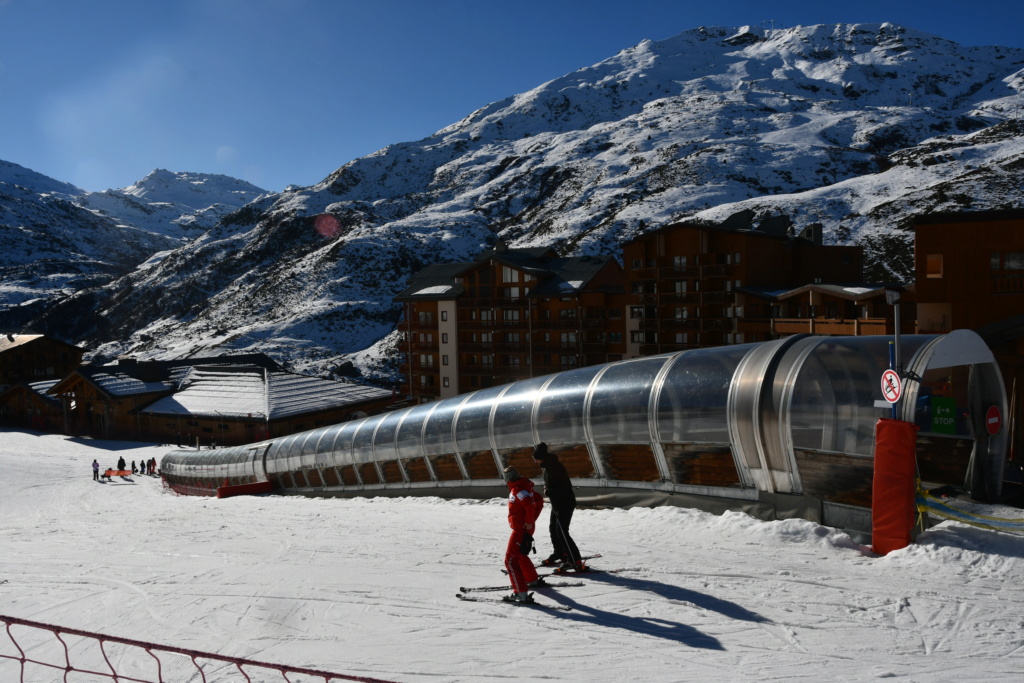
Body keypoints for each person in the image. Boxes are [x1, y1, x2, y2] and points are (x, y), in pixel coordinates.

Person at [533, 442, 584, 572]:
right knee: (553, 529)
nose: (535, 462)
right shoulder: (548, 466)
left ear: (542, 457)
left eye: (536, 459)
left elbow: (565, 488)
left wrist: (548, 491)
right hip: (557, 502)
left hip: (565, 503)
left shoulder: (555, 467)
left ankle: (574, 560)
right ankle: (561, 553)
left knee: (562, 532)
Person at [502, 465, 543, 604]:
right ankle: (532, 579)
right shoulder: (522, 487)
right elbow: (537, 500)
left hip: (520, 529)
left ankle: (520, 593)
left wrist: (529, 521)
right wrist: (531, 521)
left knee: (510, 560)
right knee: (520, 555)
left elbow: (530, 504)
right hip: (523, 527)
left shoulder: (518, 489)